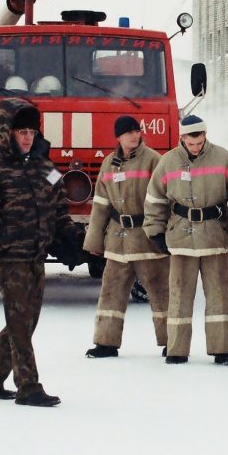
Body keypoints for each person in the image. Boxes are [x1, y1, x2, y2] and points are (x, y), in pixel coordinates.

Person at [0, 97, 80, 407]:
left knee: (26, 321)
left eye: (31, 131)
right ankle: (28, 386)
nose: (27, 137)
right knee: (20, 321)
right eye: (20, 131)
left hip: (36, 256)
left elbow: (59, 204)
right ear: (5, 132)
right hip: (8, 257)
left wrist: (69, 235)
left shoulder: (47, 167)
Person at [143, 115, 228, 365]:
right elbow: (155, 198)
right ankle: (176, 349)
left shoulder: (223, 158)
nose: (196, 147)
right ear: (182, 138)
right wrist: (155, 231)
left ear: (205, 136)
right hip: (181, 236)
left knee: (219, 295)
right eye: (191, 142)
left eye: (200, 142)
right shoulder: (168, 162)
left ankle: (222, 349)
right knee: (178, 295)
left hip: (214, 235)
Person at [83, 115, 169, 359]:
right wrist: (94, 241)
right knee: (111, 293)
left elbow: (166, 199)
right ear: (118, 137)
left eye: (137, 131)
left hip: (148, 241)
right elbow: (100, 205)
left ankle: (172, 342)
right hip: (118, 242)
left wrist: (163, 234)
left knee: (162, 292)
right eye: (129, 132)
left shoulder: (154, 160)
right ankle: (106, 343)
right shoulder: (108, 164)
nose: (135, 135)